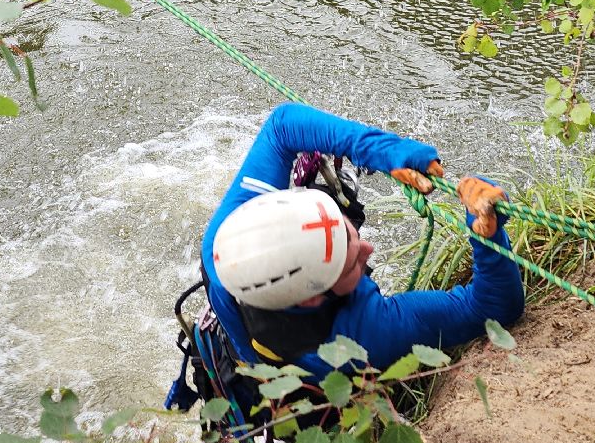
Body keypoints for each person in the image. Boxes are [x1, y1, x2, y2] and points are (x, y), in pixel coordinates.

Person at [184, 101, 525, 395]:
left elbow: (283, 125)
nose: (369, 249)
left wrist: (380, 150)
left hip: (237, 352)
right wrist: (486, 232)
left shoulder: (228, 239)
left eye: (350, 234)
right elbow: (493, 307)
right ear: (313, 298)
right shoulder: (362, 333)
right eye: (350, 266)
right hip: (298, 401)